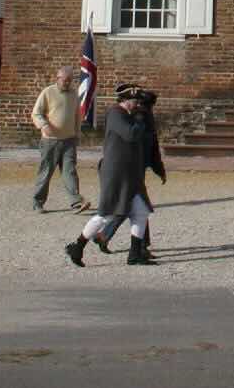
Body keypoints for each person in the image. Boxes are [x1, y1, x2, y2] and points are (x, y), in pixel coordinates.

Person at [66, 84, 166, 268]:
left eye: (137, 102)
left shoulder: (130, 115)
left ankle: (135, 254)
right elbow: (131, 134)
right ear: (123, 100)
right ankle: (77, 246)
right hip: (116, 173)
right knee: (107, 214)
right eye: (133, 101)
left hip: (131, 173)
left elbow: (146, 138)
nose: (136, 105)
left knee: (141, 211)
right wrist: (140, 118)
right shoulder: (116, 114)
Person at [30, 67, 89, 213]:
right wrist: (44, 125)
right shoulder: (48, 92)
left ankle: (76, 201)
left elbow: (77, 116)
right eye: (64, 80)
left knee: (70, 171)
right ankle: (38, 202)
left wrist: (77, 133)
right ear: (58, 78)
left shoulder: (74, 94)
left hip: (69, 140)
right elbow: (36, 113)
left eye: (70, 80)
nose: (67, 83)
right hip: (51, 141)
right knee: (46, 172)